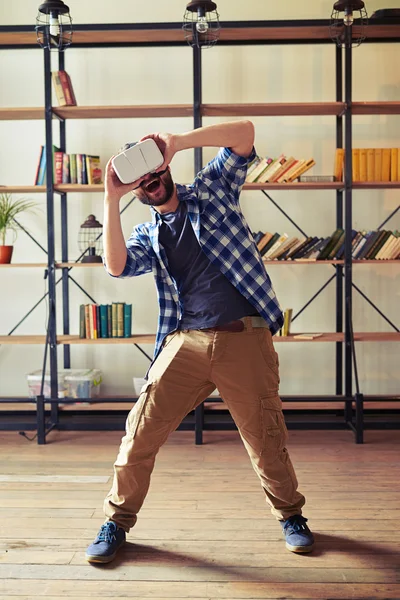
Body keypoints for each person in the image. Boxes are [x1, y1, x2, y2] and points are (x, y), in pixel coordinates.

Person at [85, 120, 314, 564]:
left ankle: (291, 515)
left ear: (167, 170)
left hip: (243, 336)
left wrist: (177, 142)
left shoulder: (212, 191)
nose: (152, 184)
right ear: (137, 193)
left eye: (155, 173)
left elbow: (245, 134)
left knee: (266, 439)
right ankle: (116, 522)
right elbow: (115, 267)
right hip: (185, 342)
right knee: (139, 433)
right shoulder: (146, 234)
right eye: (141, 183)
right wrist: (111, 198)